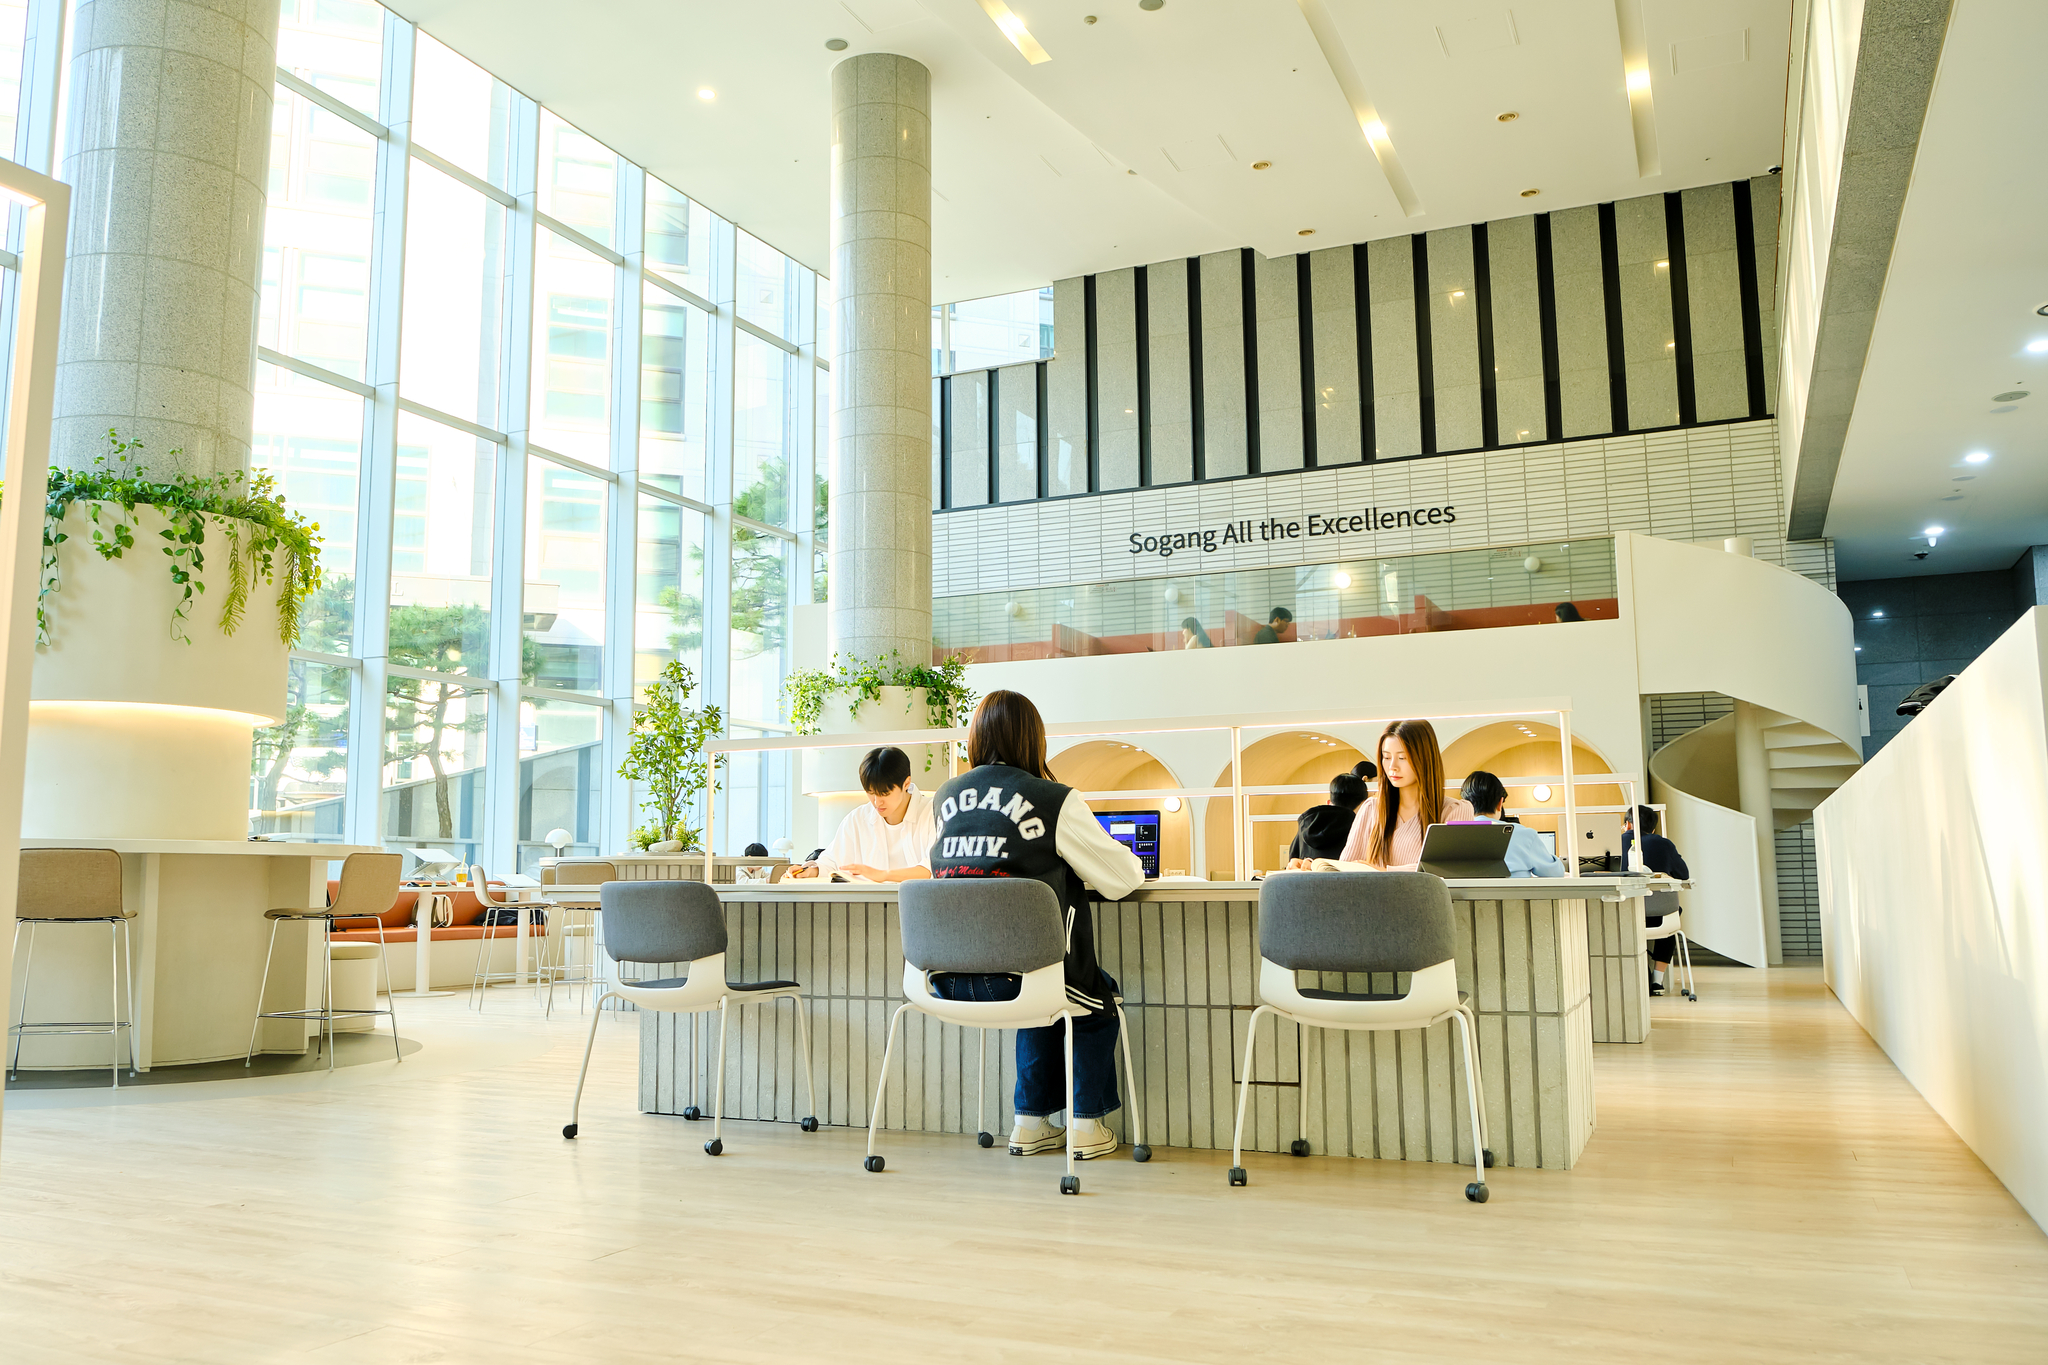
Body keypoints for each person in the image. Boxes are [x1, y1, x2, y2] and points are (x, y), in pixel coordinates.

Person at [925, 690, 1145, 1160]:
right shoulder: (1054, 800)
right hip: (1021, 977)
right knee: (1091, 995)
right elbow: (1123, 879)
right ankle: (1086, 1126)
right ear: (1034, 740)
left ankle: (1029, 1122)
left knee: (1042, 989)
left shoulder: (942, 798)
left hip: (943, 979)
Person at [1332, 719, 1474, 870]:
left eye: (1402, 758)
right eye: (1386, 757)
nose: (1392, 767)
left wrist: (1384, 872)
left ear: (1425, 759)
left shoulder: (1455, 811)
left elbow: (1451, 870)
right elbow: (1345, 871)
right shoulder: (1370, 809)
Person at [786, 746, 936, 883]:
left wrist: (883, 875)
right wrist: (812, 870)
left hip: (921, 907)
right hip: (869, 909)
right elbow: (832, 861)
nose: (877, 802)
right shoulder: (857, 819)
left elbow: (934, 868)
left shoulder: (933, 813)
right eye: (871, 793)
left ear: (906, 783)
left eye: (884, 793)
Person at [1623, 804, 1691, 996]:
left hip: (1631, 916)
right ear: (1653, 829)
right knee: (1673, 911)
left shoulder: (1624, 840)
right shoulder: (1665, 844)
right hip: (1663, 918)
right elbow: (1683, 874)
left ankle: (1640, 972)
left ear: (1628, 825)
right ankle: (1657, 980)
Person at [1454, 771, 1567, 877]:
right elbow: (1556, 872)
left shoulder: (1453, 835)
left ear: (1465, 803)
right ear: (1500, 802)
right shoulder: (1523, 834)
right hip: (1514, 898)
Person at [1288, 771, 1368, 862]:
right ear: (1363, 804)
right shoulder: (1360, 829)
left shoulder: (1305, 825)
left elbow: (1292, 864)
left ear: (1329, 802)